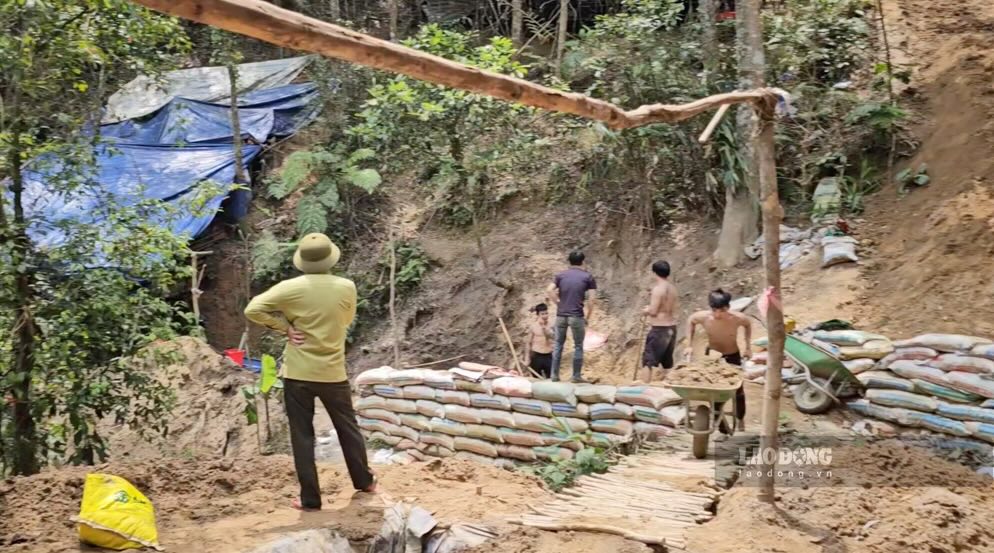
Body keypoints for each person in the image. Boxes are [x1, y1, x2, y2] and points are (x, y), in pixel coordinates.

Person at [244, 233, 375, 511]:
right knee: (348, 428)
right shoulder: (346, 287)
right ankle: (364, 482)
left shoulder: (289, 288)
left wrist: (285, 328)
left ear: (302, 261)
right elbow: (346, 320)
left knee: (302, 435)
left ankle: (310, 498)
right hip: (332, 372)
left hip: (298, 373)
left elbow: (253, 309)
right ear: (330, 258)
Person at [684, 288, 751, 432]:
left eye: (722, 310)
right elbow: (691, 320)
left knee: (738, 391)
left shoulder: (736, 318)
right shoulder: (704, 317)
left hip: (732, 355)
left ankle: (740, 418)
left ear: (728, 307)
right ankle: (721, 427)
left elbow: (748, 324)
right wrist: (689, 345)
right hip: (713, 357)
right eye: (715, 310)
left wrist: (748, 347)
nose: (718, 314)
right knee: (714, 391)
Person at [546, 250, 597, 383]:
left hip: (561, 315)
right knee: (578, 345)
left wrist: (558, 303)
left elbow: (549, 289)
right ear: (583, 262)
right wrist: (588, 317)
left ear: (569, 261)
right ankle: (576, 376)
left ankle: (554, 375)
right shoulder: (588, 277)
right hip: (576, 315)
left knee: (558, 344)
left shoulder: (561, 275)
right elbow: (592, 300)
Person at [639, 260, 679, 383]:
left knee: (648, 360)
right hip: (671, 327)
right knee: (667, 362)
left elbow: (654, 311)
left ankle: (644, 386)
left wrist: (646, 310)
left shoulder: (658, 289)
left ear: (654, 273)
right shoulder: (673, 289)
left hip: (659, 329)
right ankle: (670, 386)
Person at [522, 303, 554, 378]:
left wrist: (544, 328)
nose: (545, 316)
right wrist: (527, 359)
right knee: (536, 378)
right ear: (538, 315)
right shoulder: (533, 326)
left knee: (551, 379)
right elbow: (528, 343)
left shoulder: (551, 325)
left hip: (548, 355)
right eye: (542, 314)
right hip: (537, 355)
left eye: (546, 313)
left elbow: (551, 337)